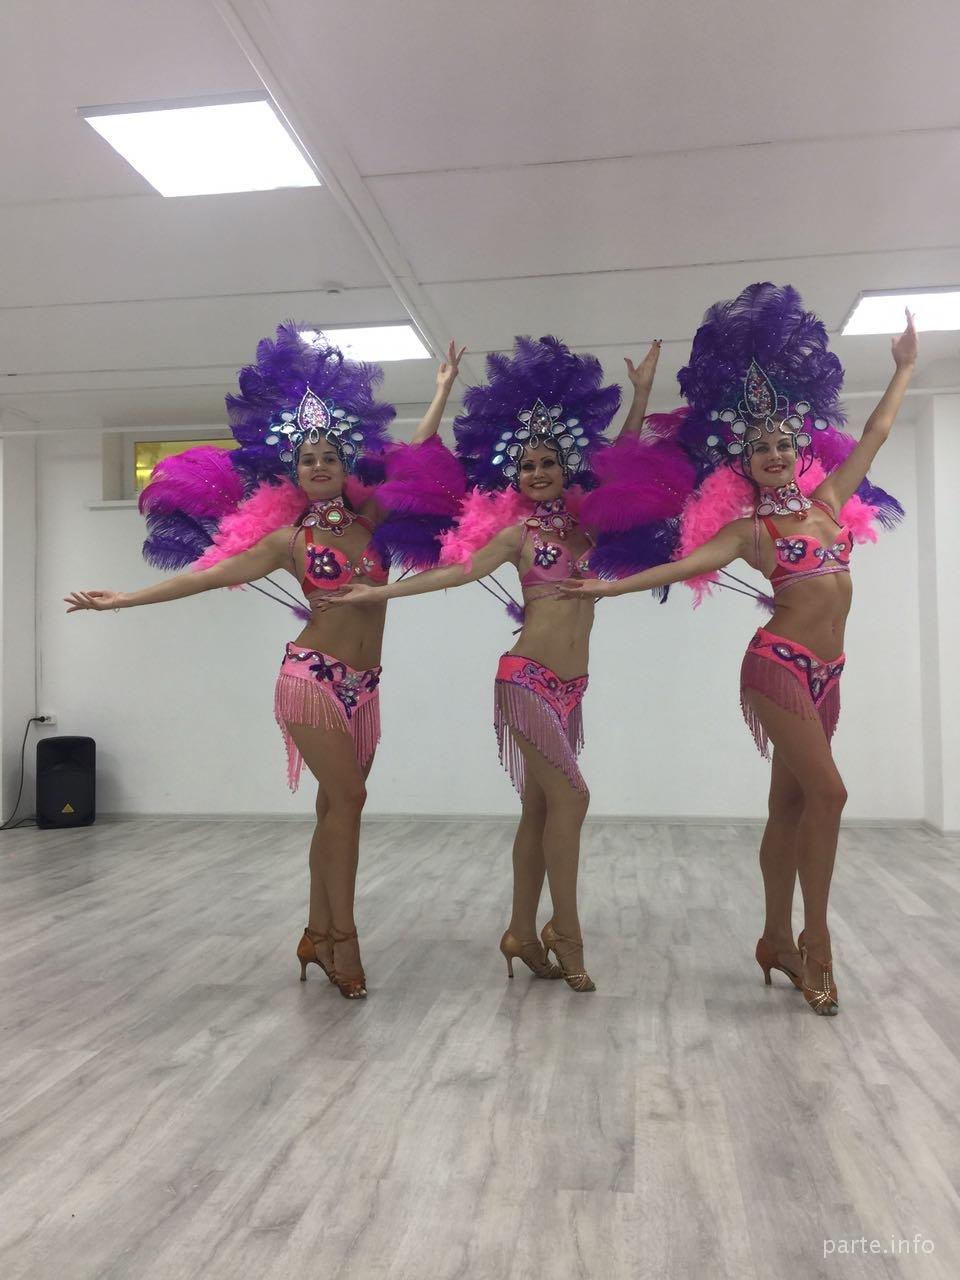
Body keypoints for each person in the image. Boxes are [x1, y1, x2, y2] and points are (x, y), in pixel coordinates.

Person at [66, 325, 465, 1000]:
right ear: (294, 471)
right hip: (311, 678)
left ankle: (315, 932)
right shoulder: (289, 540)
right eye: (307, 458)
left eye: (329, 456)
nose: (318, 465)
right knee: (350, 800)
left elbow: (415, 454)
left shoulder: (374, 521)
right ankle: (343, 939)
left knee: (334, 809)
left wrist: (441, 392)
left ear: (346, 464)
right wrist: (125, 600)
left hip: (365, 687)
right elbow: (205, 575)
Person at [562, 284, 916, 1016]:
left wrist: (905, 367)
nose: (775, 454)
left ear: (799, 449)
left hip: (828, 674)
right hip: (777, 666)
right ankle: (816, 944)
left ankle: (773, 939)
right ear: (744, 461)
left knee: (790, 804)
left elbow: (877, 433)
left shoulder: (828, 505)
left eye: (784, 443)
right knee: (831, 794)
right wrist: (604, 587)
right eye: (761, 448)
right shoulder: (750, 532)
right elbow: (680, 566)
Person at [323, 335, 690, 991]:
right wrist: (378, 592)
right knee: (573, 797)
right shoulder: (517, 535)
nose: (538, 473)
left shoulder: (588, 527)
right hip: (524, 680)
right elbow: (456, 572)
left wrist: (639, 397)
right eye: (526, 466)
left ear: (567, 467)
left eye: (548, 462)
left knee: (541, 810)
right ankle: (566, 932)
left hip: (572, 687)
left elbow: (621, 465)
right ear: (512, 476)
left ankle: (520, 930)